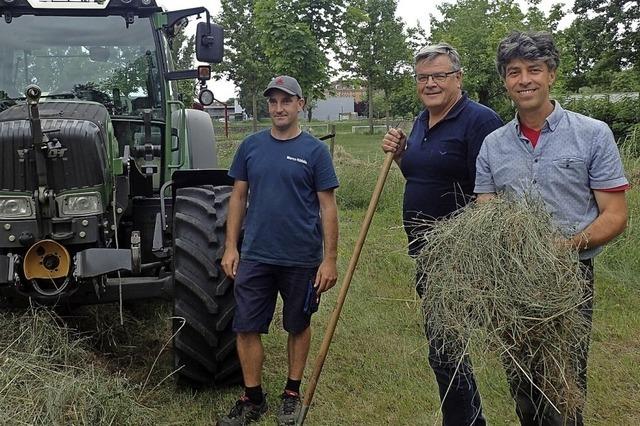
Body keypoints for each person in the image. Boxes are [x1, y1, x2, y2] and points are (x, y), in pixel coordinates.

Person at [475, 30, 628, 425]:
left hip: (570, 275)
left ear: (552, 75)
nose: (524, 79)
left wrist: (561, 247)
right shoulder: (493, 144)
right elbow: (487, 210)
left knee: (564, 379)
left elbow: (614, 215)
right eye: (514, 72)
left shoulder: (592, 134)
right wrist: (512, 247)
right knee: (522, 378)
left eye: (534, 69)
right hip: (511, 277)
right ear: (505, 81)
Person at [382, 43, 503, 425]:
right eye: (423, 77)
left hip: (461, 256)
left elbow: (494, 191)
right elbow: (422, 176)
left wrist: (474, 254)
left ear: (458, 78)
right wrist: (402, 155)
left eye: (439, 75)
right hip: (427, 253)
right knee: (446, 349)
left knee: (447, 349)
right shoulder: (421, 120)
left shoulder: (479, 121)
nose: (430, 83)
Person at [218, 75, 339, 426]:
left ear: (300, 104)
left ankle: (291, 393)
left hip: (301, 257)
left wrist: (329, 260)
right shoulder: (251, 146)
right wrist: (231, 246)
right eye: (273, 101)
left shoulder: (315, 151)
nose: (279, 108)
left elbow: (328, 207)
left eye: (286, 101)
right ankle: (252, 397)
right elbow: (238, 198)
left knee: (297, 325)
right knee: (246, 326)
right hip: (256, 254)